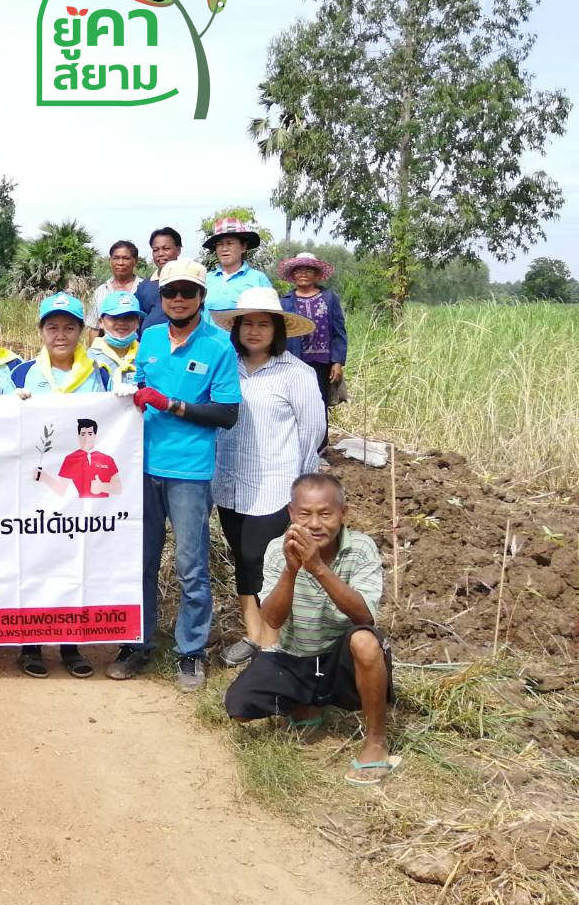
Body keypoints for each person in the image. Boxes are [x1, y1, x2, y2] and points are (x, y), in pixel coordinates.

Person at [108, 259, 240, 691]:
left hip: (188, 471)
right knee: (141, 562)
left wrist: (172, 405)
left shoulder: (219, 346)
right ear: (160, 298)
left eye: (187, 291)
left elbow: (226, 413)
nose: (178, 299)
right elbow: (141, 385)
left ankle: (190, 651)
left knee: (190, 566)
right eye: (170, 293)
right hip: (142, 468)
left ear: (202, 296)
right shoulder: (148, 339)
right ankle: (138, 642)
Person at [225, 474, 397, 786]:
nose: (315, 524)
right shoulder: (279, 549)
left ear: (344, 513)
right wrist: (292, 570)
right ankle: (307, 704)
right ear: (291, 514)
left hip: (338, 659)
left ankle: (375, 741)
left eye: (325, 514)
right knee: (239, 708)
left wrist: (317, 567)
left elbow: (364, 616)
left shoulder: (361, 548)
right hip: (295, 655)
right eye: (305, 514)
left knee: (364, 640)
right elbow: (273, 620)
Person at [209, 287, 326, 667]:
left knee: (265, 559)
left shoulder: (297, 374)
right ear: (237, 328)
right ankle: (253, 633)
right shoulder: (226, 367)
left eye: (263, 324)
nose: (255, 331)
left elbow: (313, 431)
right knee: (241, 558)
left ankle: (274, 639)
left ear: (277, 330)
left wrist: (302, 488)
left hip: (276, 483)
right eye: (248, 324)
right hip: (228, 481)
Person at [9, 292, 113, 679]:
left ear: (82, 331)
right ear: (40, 331)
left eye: (70, 327)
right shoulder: (19, 374)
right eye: (52, 327)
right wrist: (7, 403)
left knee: (74, 561)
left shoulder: (99, 374)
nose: (61, 334)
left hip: (78, 492)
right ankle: (30, 645)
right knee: (34, 562)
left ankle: (70, 644)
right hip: (33, 490)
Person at [278, 251, 347, 449]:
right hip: (294, 360)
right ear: (293, 275)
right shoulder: (286, 302)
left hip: (322, 362)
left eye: (308, 270)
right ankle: (295, 446)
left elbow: (339, 331)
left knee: (319, 403)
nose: (303, 274)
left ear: (316, 275)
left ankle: (320, 448)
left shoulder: (328, 298)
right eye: (298, 270)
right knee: (294, 403)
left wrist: (337, 361)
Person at [202, 216, 274, 316]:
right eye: (219, 244)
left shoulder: (258, 279)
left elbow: (270, 315)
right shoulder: (205, 279)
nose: (224, 249)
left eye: (229, 243)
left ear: (243, 247)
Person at [88, 290, 144, 394]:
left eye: (128, 318)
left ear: (138, 323)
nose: (121, 323)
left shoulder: (146, 355)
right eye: (114, 317)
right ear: (101, 322)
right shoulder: (88, 359)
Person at [90, 240, 142, 335]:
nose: (120, 263)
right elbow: (94, 328)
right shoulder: (100, 291)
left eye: (126, 258)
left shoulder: (144, 289)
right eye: (116, 258)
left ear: (135, 261)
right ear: (110, 261)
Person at [137, 226, 181, 331]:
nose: (160, 254)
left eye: (166, 248)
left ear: (178, 250)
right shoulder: (144, 286)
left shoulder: (189, 282)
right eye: (155, 250)